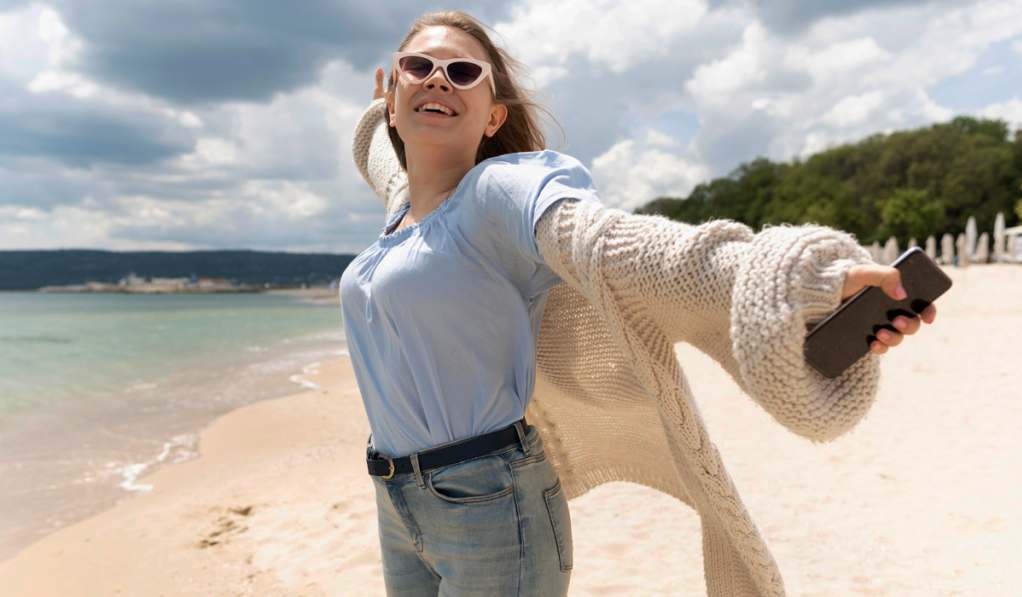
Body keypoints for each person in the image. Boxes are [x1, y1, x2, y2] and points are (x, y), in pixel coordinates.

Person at [341, 10, 938, 597]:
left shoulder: (499, 196)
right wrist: (377, 113)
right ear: (395, 97)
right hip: (395, 495)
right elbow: (380, 155)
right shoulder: (402, 212)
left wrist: (803, 280)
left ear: (495, 116)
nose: (439, 78)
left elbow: (616, 246)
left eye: (463, 72)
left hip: (488, 502)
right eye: (418, 66)